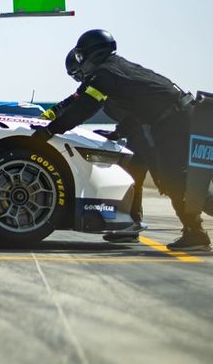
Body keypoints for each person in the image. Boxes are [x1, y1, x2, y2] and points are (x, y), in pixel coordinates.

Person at [33, 29, 213, 252]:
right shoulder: (113, 68)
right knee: (172, 178)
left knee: (173, 179)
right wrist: (51, 116)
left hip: (174, 121)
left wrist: (50, 131)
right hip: (174, 119)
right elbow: (77, 99)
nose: (81, 64)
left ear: (94, 53)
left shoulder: (106, 74)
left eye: (82, 57)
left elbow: (84, 107)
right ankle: (195, 232)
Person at [43, 52, 148, 242]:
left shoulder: (104, 79)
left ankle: (209, 220)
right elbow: (72, 100)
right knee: (135, 176)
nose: (79, 78)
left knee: (164, 179)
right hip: (137, 131)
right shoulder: (95, 82)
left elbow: (84, 107)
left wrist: (53, 128)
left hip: (149, 131)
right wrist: (48, 115)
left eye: (77, 74)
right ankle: (132, 225)